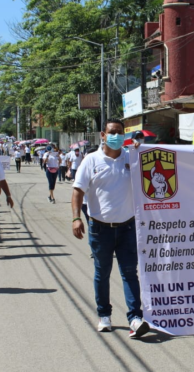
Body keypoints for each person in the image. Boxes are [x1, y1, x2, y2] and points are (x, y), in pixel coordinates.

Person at [71, 119, 150, 338]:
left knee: (129, 273)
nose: (115, 135)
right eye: (111, 132)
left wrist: (141, 151)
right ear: (103, 135)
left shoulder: (132, 157)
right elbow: (77, 191)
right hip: (100, 228)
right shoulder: (91, 160)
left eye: (119, 132)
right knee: (102, 273)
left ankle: (135, 318)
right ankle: (104, 315)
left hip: (127, 227)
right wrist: (76, 218)